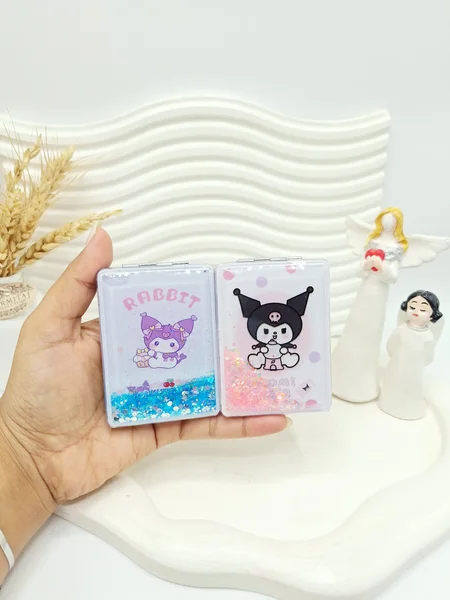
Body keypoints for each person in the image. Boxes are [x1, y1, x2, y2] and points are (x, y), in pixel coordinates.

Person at [0, 229, 289, 584]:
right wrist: (27, 454)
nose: (165, 346)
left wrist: (27, 462)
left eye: (172, 343)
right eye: (160, 342)